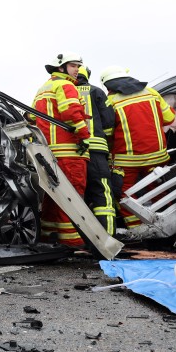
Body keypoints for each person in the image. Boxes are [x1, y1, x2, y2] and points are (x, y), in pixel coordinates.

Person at [99, 66, 176, 231]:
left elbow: (108, 134)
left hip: (127, 161)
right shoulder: (152, 93)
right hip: (157, 157)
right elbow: (170, 118)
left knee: (123, 194)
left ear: (108, 87)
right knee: (160, 191)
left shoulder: (112, 102)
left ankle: (138, 229)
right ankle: (169, 225)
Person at [31, 53, 92, 248]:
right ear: (61, 68)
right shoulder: (65, 85)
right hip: (69, 151)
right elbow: (70, 112)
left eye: (77, 66)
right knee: (73, 193)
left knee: (52, 196)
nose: (77, 69)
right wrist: (84, 135)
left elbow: (32, 118)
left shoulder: (42, 89)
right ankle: (71, 240)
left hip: (49, 151)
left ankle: (49, 235)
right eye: (73, 66)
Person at [75, 66, 117, 236]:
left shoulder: (63, 91)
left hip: (70, 152)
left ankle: (80, 237)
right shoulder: (96, 91)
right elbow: (109, 120)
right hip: (96, 150)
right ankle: (107, 237)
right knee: (102, 193)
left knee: (76, 194)